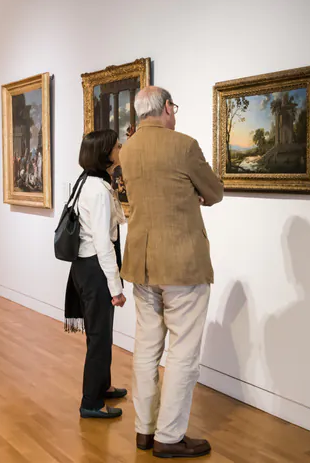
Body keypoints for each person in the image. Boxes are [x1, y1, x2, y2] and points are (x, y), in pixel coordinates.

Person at [119, 86, 224, 458]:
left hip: (142, 264)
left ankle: (144, 431)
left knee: (146, 348)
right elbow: (214, 192)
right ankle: (169, 436)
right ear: (166, 108)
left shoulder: (127, 150)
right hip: (182, 264)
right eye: (173, 108)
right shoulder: (184, 145)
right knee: (182, 353)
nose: (174, 114)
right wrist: (195, 194)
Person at [64, 129, 128, 419]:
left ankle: (102, 386)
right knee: (100, 335)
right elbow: (104, 242)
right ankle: (91, 402)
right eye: (116, 146)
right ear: (105, 154)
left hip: (82, 266)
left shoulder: (85, 183)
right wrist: (116, 287)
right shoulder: (98, 191)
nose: (120, 149)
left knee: (99, 334)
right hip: (95, 269)